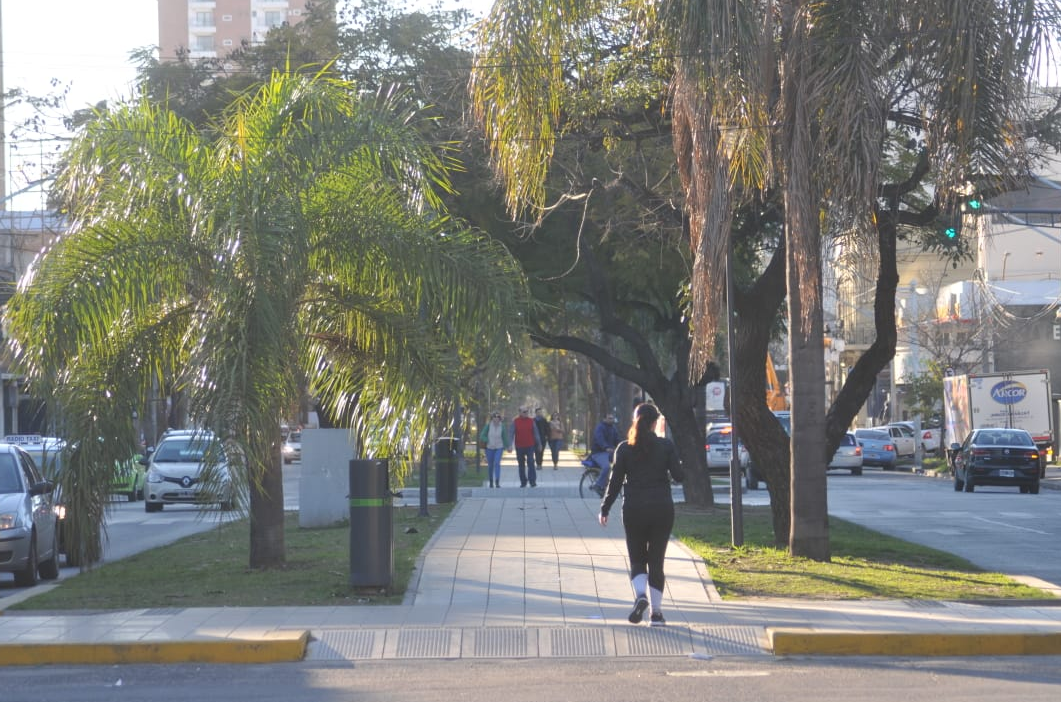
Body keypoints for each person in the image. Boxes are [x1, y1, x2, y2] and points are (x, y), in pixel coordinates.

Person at [598, 402, 683, 626]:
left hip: (634, 508)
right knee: (656, 561)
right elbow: (679, 476)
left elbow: (615, 482)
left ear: (635, 421)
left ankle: (640, 596)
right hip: (661, 508)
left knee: (637, 558)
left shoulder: (624, 448)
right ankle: (656, 614)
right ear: (655, 423)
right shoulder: (666, 446)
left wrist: (605, 508)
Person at [510, 407, 541, 487]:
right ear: (520, 412)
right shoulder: (515, 421)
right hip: (519, 446)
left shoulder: (531, 421)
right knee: (521, 464)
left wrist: (539, 444)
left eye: (527, 411)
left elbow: (536, 433)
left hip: (530, 446)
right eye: (524, 412)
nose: (526, 413)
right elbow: (511, 433)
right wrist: (510, 445)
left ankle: (532, 481)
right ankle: (523, 481)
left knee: (531, 462)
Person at [589, 412, 620, 493]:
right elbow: (600, 439)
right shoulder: (600, 428)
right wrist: (606, 447)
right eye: (609, 418)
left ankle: (611, 481)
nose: (611, 420)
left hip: (610, 453)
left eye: (612, 418)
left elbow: (617, 439)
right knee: (606, 467)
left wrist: (622, 446)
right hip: (599, 453)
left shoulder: (613, 428)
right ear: (604, 419)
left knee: (622, 462)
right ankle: (598, 485)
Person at [479, 412, 510, 488]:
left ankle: (497, 481)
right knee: (490, 465)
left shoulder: (502, 426)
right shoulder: (488, 426)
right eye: (494, 417)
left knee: (497, 463)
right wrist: (487, 440)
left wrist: (508, 446)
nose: (496, 418)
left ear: (499, 418)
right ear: (492, 418)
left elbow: (504, 437)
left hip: (499, 447)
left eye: (498, 417)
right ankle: (491, 481)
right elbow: (482, 435)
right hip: (489, 448)